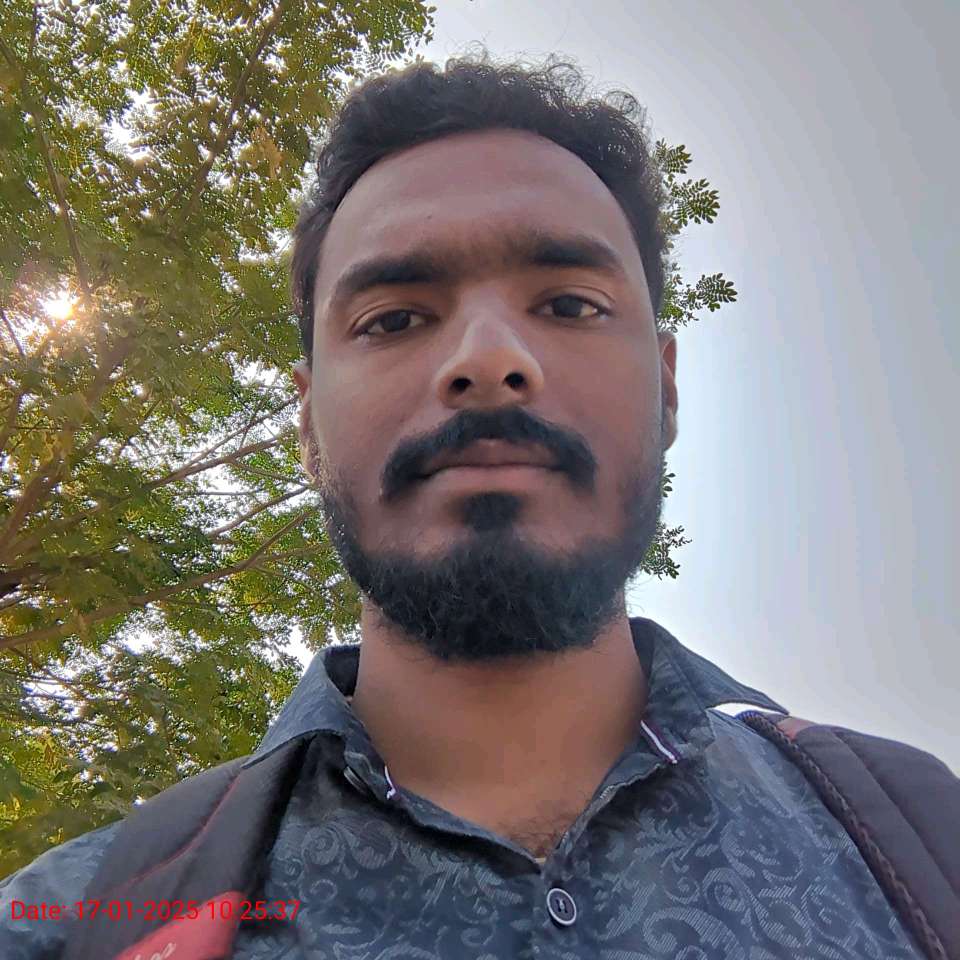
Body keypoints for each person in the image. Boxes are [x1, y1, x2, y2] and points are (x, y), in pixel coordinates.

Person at [2, 55, 955, 960]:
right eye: (394, 319)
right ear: (307, 423)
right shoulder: (71, 924)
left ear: (667, 388)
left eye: (571, 305)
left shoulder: (928, 848)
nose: (490, 359)